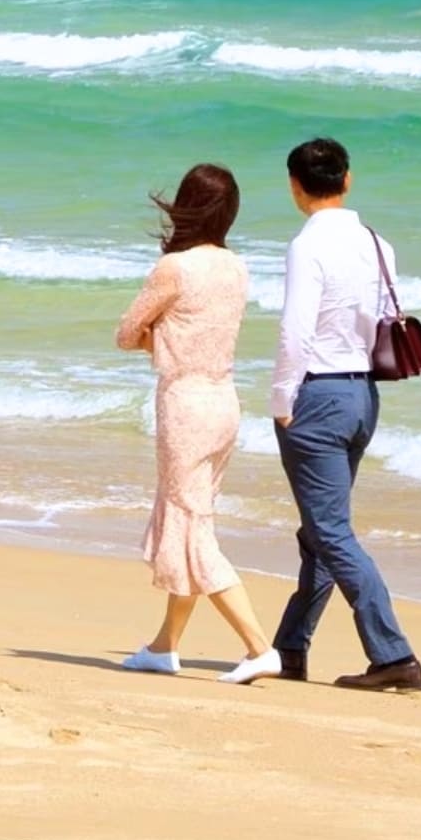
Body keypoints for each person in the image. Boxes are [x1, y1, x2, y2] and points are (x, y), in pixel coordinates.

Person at [268, 136, 421, 692]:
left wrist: (282, 399)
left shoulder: (306, 246)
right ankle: (289, 648)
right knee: (321, 530)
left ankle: (394, 655)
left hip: (318, 395)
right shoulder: (378, 243)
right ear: (348, 179)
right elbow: (385, 316)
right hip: (363, 396)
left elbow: (295, 330)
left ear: (295, 187)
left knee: (330, 532)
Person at [113, 164, 276, 683]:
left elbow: (125, 333)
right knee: (191, 520)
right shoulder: (237, 267)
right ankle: (164, 646)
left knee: (191, 528)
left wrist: (159, 340)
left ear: (185, 206)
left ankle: (257, 647)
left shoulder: (174, 269)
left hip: (185, 404)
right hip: (225, 402)